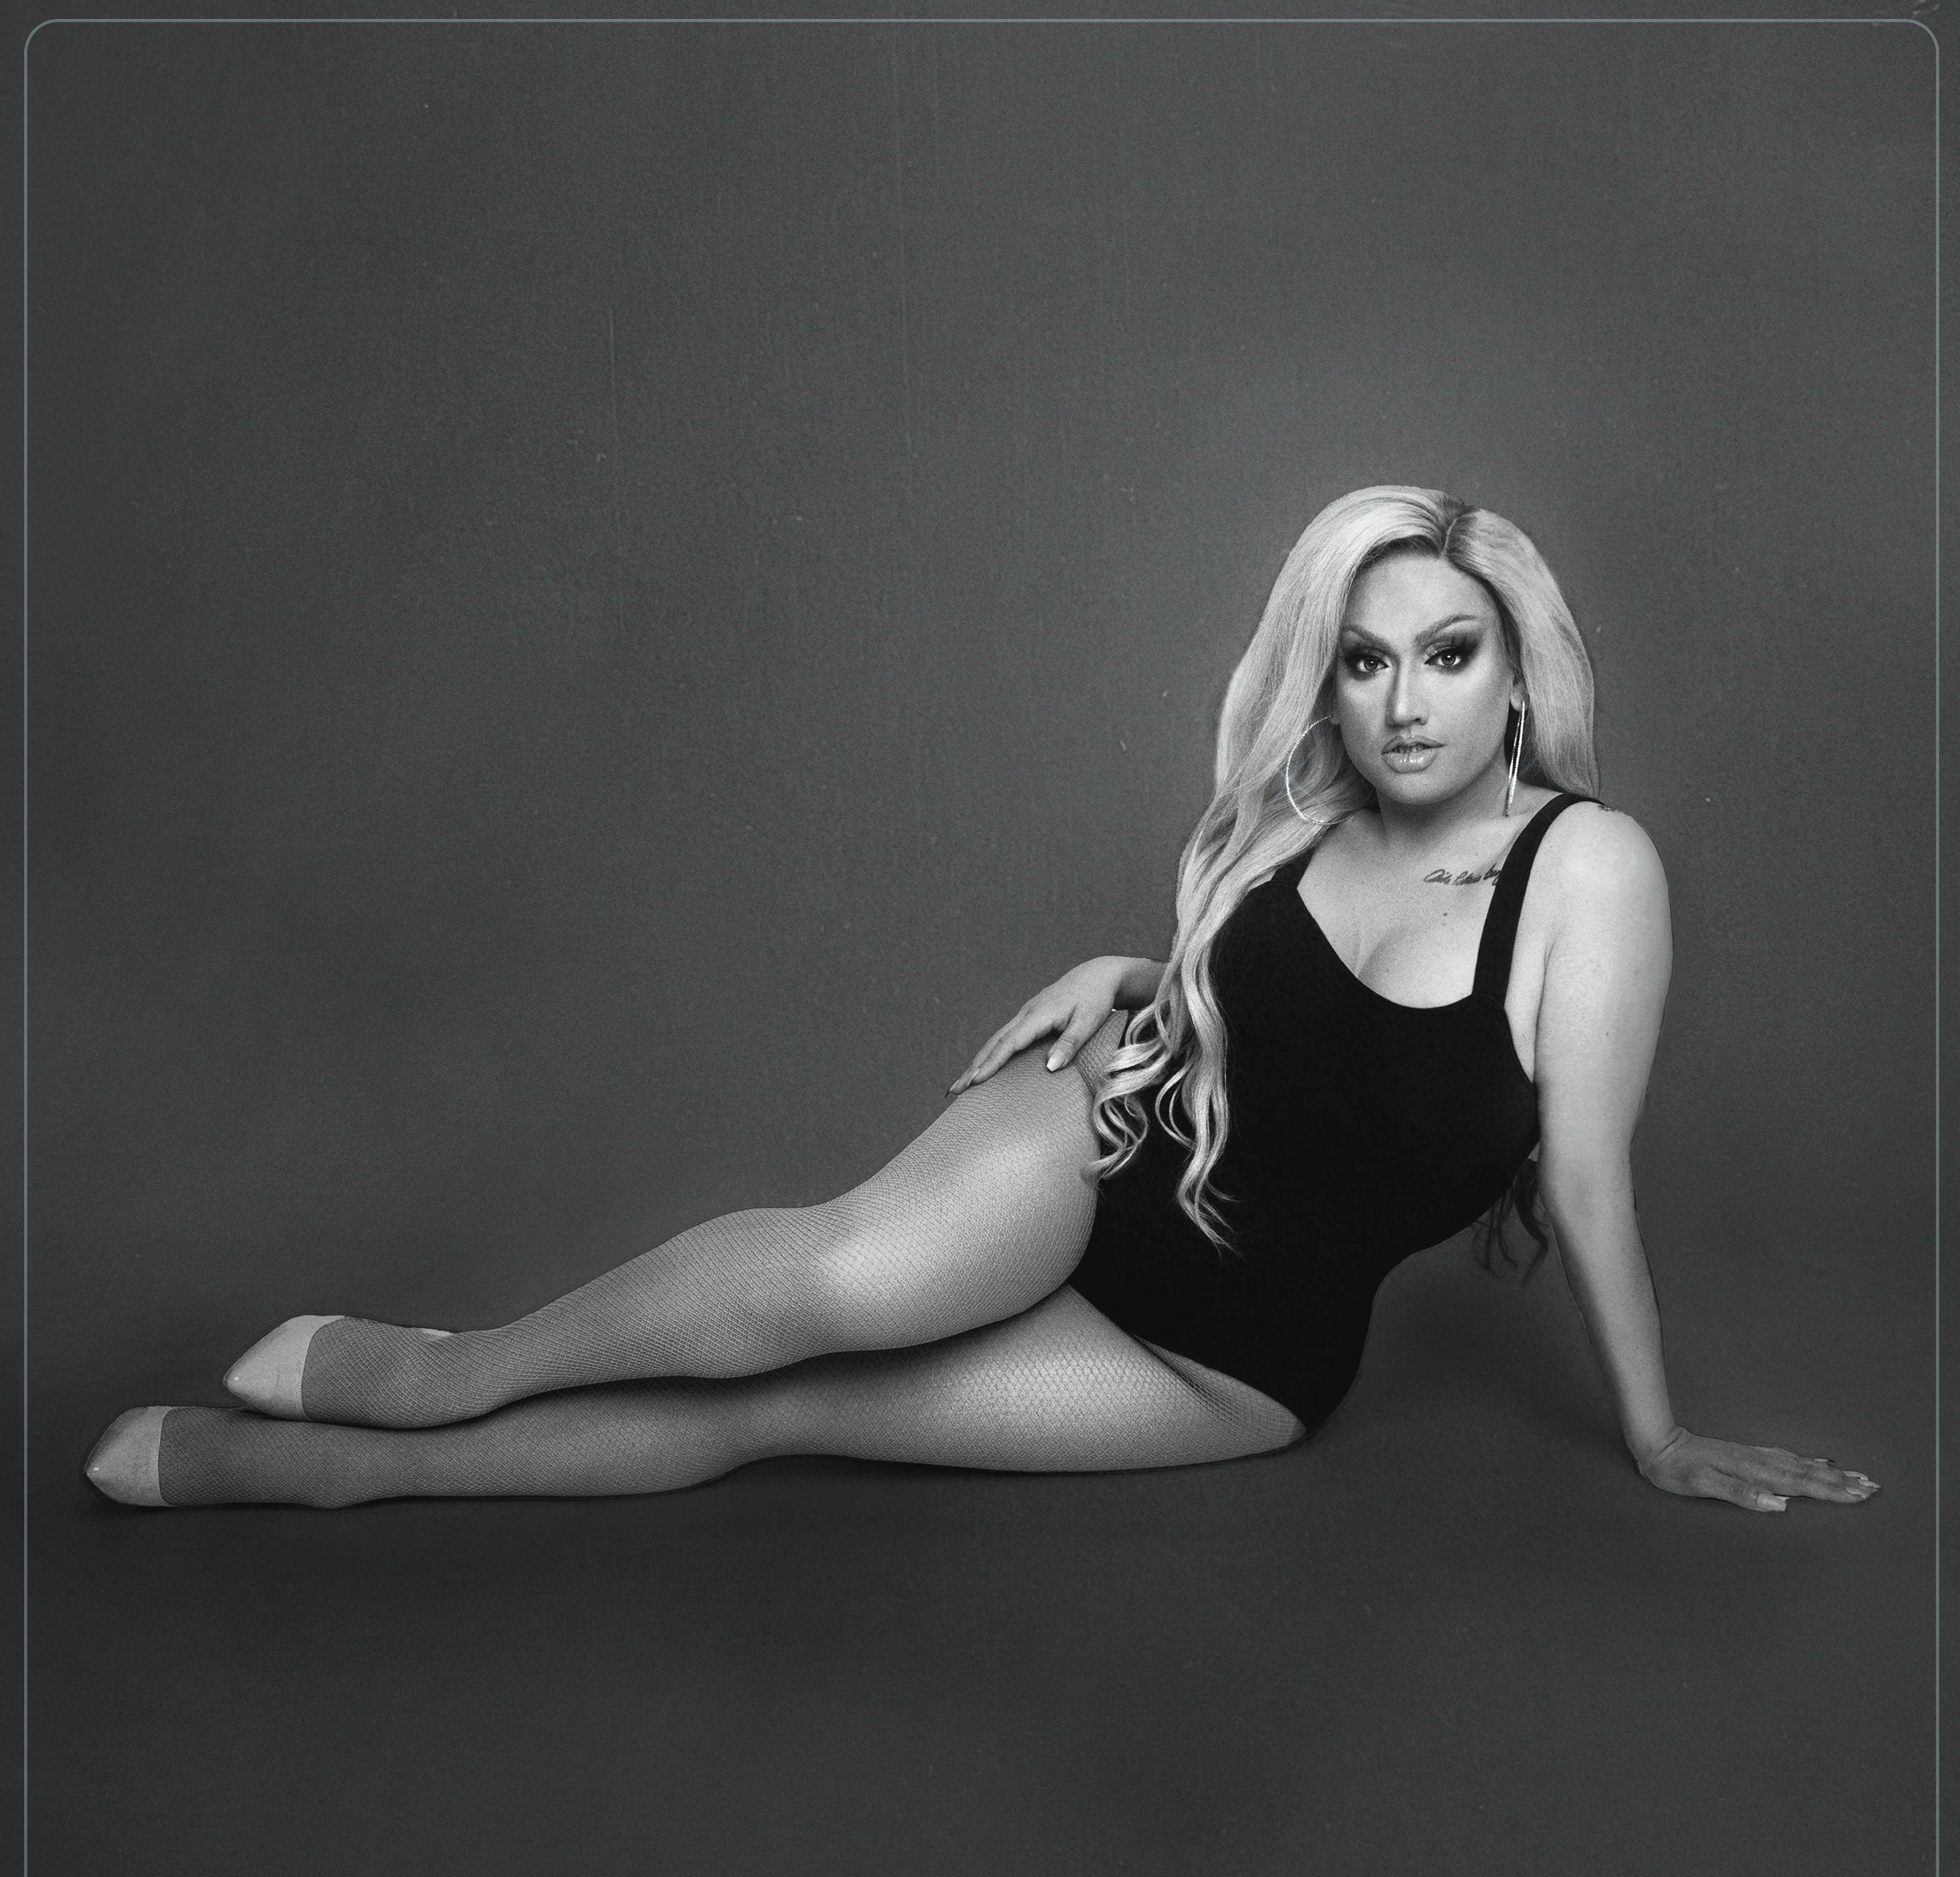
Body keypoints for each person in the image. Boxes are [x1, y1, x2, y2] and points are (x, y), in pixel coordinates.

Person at [84, 485, 1878, 1514]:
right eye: (1364, 660)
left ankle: (341, 1478)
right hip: (1102, 1154)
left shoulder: (1592, 872)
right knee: (833, 1290)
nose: (1404, 701)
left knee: (780, 1420)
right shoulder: (1307, 820)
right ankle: (439, 1375)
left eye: (1447, 654)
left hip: (1235, 1364)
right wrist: (1141, 972)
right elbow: (1301, 1016)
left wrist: (1657, 1435)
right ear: (1328, 684)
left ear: (1516, 675)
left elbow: (1581, 1174)